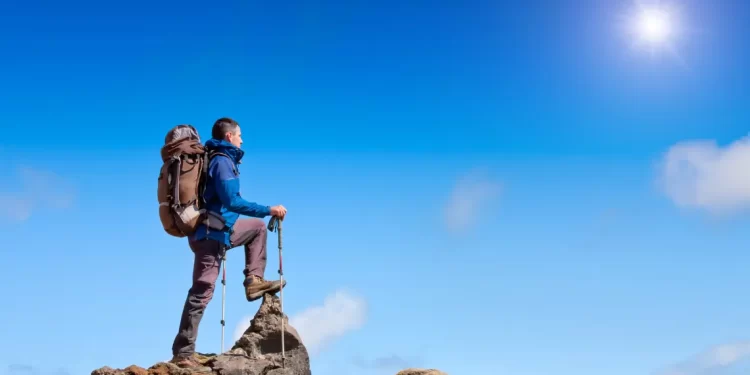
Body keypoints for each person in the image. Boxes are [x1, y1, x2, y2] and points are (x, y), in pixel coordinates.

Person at [170, 117, 288, 369]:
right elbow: (232, 201)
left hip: (219, 231)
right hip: (210, 235)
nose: (242, 139)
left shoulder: (220, 159)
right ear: (229, 137)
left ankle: (254, 282)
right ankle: (183, 352)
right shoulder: (222, 162)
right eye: (240, 135)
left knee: (256, 229)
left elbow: (229, 201)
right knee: (202, 291)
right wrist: (269, 209)